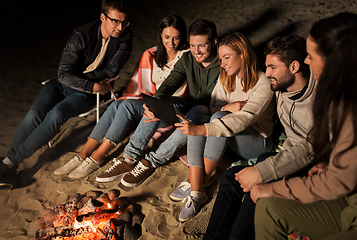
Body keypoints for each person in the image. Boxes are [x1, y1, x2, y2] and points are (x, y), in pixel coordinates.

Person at [0, 0, 132, 187]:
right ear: (103, 17)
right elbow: (62, 74)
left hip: (85, 95)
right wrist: (91, 84)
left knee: (57, 114)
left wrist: (79, 80)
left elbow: (111, 70)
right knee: (35, 114)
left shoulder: (125, 36)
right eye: (115, 21)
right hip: (61, 85)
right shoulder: (81, 35)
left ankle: (8, 163)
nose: (120, 27)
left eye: (124, 22)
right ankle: (8, 165)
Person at [252, 12, 357, 240]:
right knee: (269, 208)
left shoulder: (347, 107)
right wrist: (330, 163)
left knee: (267, 190)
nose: (307, 63)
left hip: (348, 200)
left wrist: (274, 187)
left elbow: (339, 181)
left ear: (333, 61)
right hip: (347, 200)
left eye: (311, 56)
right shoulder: (339, 95)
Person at [203, 35, 316, 240]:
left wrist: (262, 171)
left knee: (259, 184)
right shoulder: (281, 88)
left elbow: (311, 148)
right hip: (289, 152)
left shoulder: (320, 99)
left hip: (313, 162)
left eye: (273, 68)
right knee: (232, 177)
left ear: (294, 66)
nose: (268, 74)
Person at [53, 14, 188, 179]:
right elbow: (140, 87)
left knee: (127, 106)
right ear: (160, 34)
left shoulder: (187, 56)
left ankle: (98, 156)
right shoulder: (152, 54)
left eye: (176, 38)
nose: (171, 43)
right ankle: (83, 154)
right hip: (153, 104)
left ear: (182, 37)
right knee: (117, 105)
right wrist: (149, 103)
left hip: (174, 109)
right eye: (167, 37)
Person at [94, 19, 220, 187]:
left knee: (193, 117)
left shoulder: (223, 63)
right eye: (192, 45)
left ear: (214, 42)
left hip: (208, 113)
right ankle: (130, 157)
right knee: (155, 104)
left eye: (202, 46)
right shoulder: (189, 58)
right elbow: (171, 82)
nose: (196, 51)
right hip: (189, 104)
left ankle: (151, 161)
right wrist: (157, 101)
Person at [169, 32, 275, 222]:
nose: (223, 63)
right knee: (201, 118)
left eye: (227, 57)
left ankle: (199, 185)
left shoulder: (263, 83)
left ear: (243, 54)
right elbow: (213, 107)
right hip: (232, 135)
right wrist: (226, 107)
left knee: (214, 120)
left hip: (257, 142)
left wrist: (207, 126)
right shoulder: (226, 76)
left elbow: (243, 119)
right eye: (220, 59)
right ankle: (196, 188)